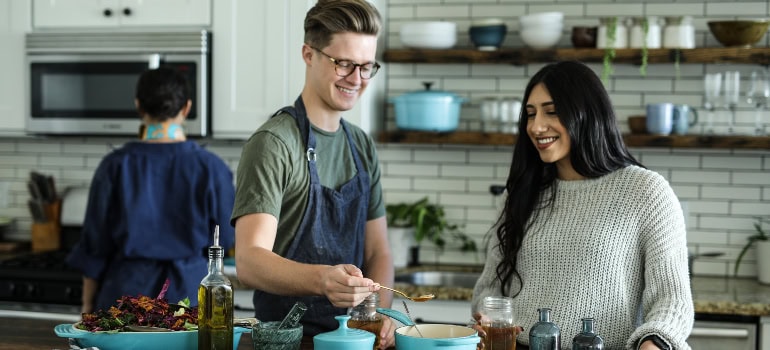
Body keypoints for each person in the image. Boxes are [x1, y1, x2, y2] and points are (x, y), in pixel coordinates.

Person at [471, 61, 693, 350]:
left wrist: (653, 343)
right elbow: (490, 286)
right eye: (530, 114)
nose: (536, 126)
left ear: (587, 114)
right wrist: (486, 317)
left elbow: (672, 301)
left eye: (552, 111)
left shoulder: (645, 191)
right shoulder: (522, 193)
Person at [230, 0, 395, 347]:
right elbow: (249, 261)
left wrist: (379, 314)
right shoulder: (274, 143)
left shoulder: (361, 146)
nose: (357, 79)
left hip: (354, 341)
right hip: (288, 341)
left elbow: (378, 251)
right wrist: (323, 280)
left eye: (367, 67)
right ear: (309, 54)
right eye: (344, 64)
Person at [67, 67, 235, 314]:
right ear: (186, 108)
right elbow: (227, 239)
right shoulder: (212, 169)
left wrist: (87, 308)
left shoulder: (114, 166)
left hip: (125, 300)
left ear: (138, 106)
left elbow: (94, 249)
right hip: (189, 300)